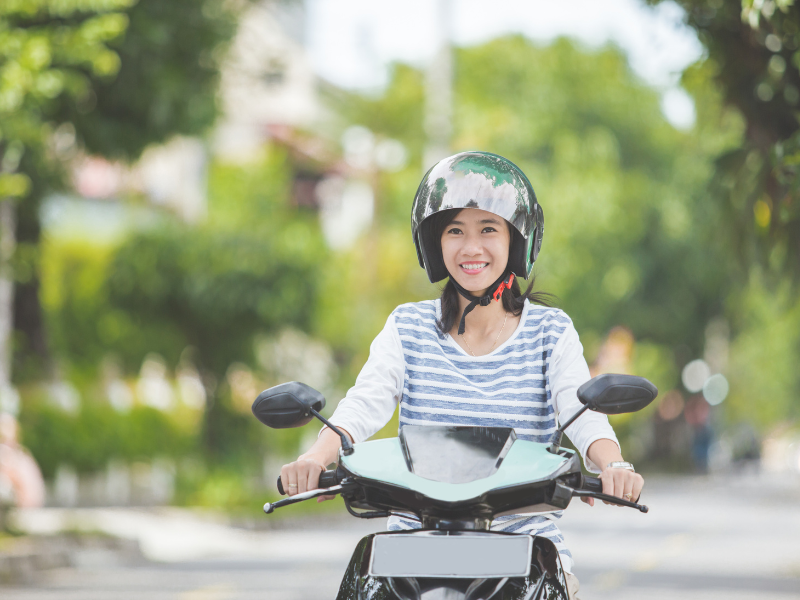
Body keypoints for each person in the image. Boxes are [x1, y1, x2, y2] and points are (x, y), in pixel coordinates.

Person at [280, 151, 644, 599]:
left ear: (516, 239)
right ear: (436, 244)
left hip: (522, 543)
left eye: (488, 229)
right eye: (455, 231)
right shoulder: (408, 327)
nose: (471, 248)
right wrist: (317, 458)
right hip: (411, 548)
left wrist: (612, 465)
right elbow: (365, 400)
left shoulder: (551, 332)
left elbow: (582, 409)